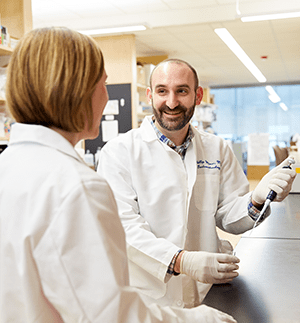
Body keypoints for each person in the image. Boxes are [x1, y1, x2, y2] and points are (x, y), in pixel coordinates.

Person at [0, 29, 237, 323]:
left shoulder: (9, 166)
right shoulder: (75, 186)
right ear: (76, 90)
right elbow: (109, 315)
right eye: (104, 83)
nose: (107, 95)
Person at [97, 58, 296, 309]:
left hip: (206, 292)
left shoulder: (216, 148)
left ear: (197, 95)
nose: (171, 102)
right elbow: (123, 228)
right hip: (149, 295)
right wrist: (182, 261)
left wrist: (256, 199)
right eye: (162, 91)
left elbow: (227, 215)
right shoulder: (119, 152)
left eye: (182, 91)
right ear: (149, 95)